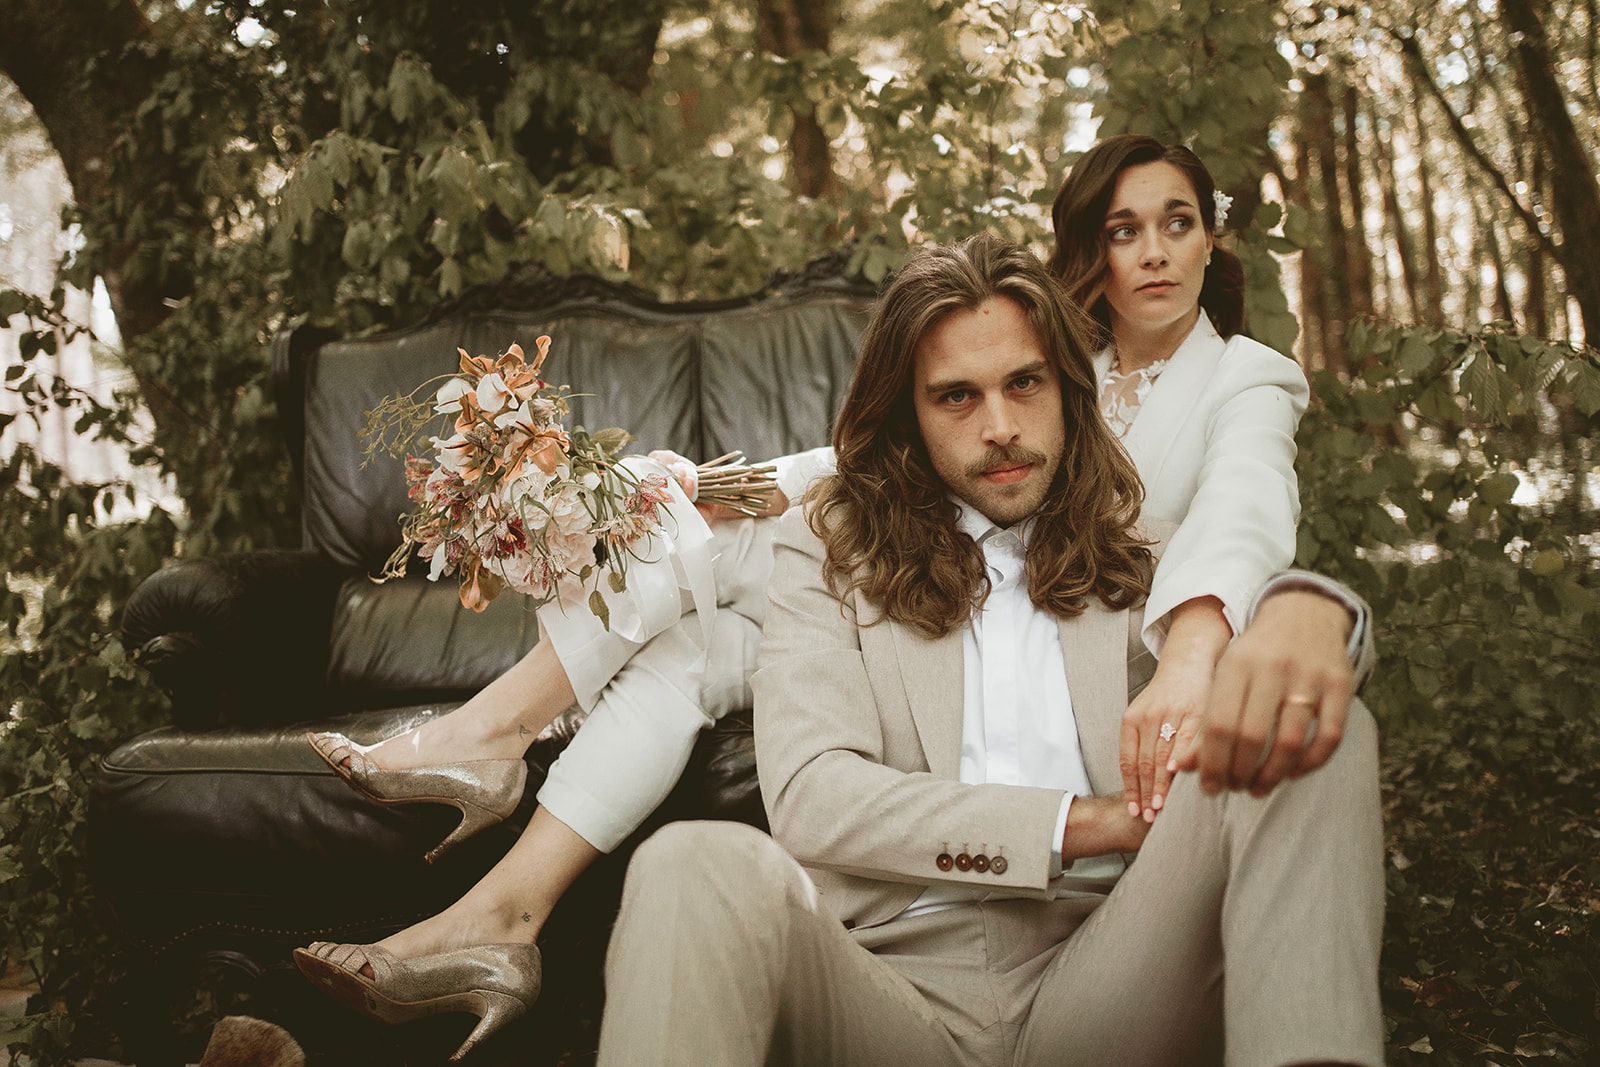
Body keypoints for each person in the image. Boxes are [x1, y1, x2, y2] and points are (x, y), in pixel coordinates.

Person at [596, 233, 1384, 1066]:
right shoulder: (829, 552)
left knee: (1316, 735)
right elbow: (813, 793)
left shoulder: (1149, 551)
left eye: (1023, 383)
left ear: (1067, 389)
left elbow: (1255, 623)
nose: (1001, 426)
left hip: (1113, 976)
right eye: (957, 397)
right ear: (909, 413)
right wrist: (1088, 824)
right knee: (691, 860)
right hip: (883, 992)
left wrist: (1314, 610)